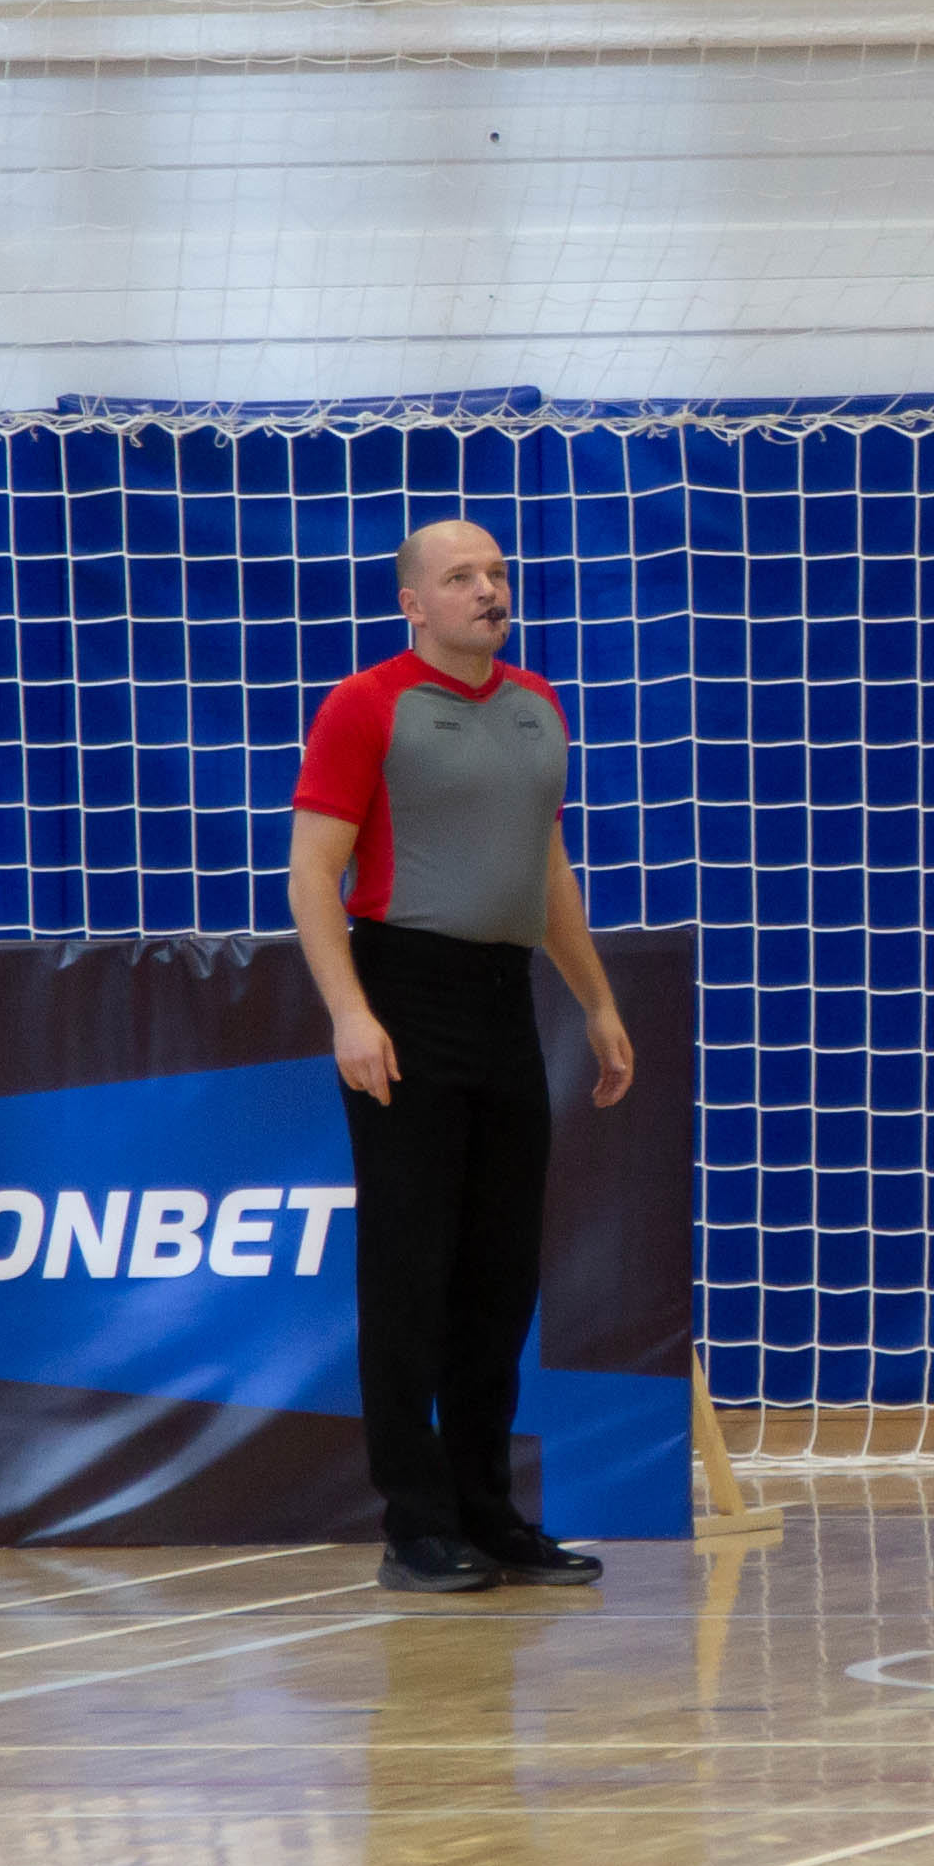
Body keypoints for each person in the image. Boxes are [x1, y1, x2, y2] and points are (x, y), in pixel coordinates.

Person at [290, 520, 639, 1596]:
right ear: (414, 603)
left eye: (496, 573)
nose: (489, 590)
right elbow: (311, 876)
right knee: (410, 1271)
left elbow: (547, 868)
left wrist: (597, 1001)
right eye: (460, 577)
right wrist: (351, 1014)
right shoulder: (365, 706)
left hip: (503, 1001)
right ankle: (416, 1525)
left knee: (500, 1273)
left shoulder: (539, 706)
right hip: (404, 993)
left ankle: (490, 1514)